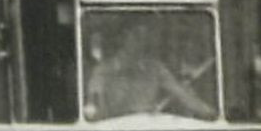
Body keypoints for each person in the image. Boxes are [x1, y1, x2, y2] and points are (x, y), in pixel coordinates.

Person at [84, 36, 216, 121]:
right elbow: (93, 107)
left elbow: (181, 93)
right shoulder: (103, 71)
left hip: (148, 126)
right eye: (136, 36)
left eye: (143, 38)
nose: (141, 43)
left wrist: (210, 113)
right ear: (122, 40)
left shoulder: (155, 68)